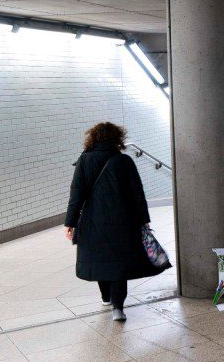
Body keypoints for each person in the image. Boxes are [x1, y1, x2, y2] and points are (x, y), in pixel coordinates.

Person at [64, 122, 168, 321]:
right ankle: (118, 308)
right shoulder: (124, 161)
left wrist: (71, 222)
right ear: (117, 139)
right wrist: (143, 221)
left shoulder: (84, 160)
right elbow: (137, 194)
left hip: (93, 220)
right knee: (118, 264)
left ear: (92, 138)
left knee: (100, 260)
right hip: (123, 221)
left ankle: (106, 297)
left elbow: (76, 194)